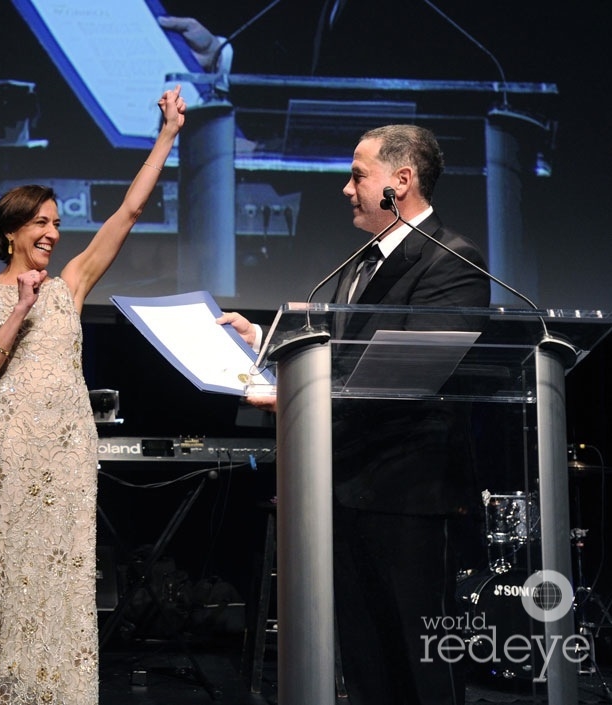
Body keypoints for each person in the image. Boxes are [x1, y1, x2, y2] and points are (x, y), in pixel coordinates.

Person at [218, 124, 491, 705]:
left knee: (422, 670)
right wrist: (264, 347)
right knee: (365, 667)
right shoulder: (356, 266)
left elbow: (406, 375)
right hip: (343, 491)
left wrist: (298, 394)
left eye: (358, 175)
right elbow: (342, 354)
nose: (346, 189)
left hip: (410, 498)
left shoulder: (453, 261)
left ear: (401, 180)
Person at [0, 85, 186, 705]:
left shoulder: (73, 284)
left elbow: (128, 215)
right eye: (41, 222)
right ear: (9, 232)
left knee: (63, 572)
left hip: (67, 447)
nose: (54, 233)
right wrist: (21, 307)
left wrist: (166, 137)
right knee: (16, 570)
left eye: (58, 223)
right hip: (14, 443)